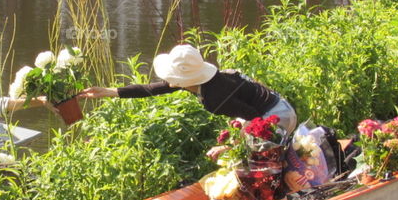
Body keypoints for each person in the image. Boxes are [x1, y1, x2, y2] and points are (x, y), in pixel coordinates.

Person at [80, 43, 298, 134]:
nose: (167, 81)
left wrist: (229, 147)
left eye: (170, 77)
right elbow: (153, 89)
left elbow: (254, 118)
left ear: (183, 80)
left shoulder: (214, 99)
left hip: (278, 117)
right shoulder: (203, 82)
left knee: (258, 166)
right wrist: (109, 91)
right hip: (278, 107)